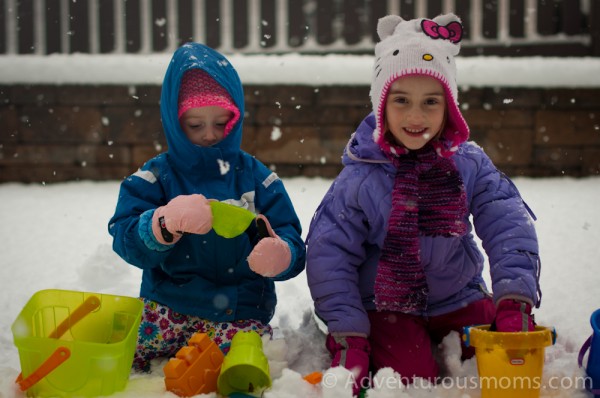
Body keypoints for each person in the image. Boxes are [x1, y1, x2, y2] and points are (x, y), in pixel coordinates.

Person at [306, 13, 541, 392]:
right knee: (413, 380)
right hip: (386, 305)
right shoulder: (361, 177)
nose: (416, 116)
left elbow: (507, 222)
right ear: (381, 104)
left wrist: (514, 299)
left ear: (450, 107)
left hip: (457, 294)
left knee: (496, 357)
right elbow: (328, 257)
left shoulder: (467, 163)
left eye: (431, 101)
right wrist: (350, 335)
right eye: (401, 100)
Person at [108, 43, 306, 372]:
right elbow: (126, 237)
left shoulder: (258, 179)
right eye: (196, 125)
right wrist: (162, 224)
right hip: (169, 305)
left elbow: (290, 237)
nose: (210, 135)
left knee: (239, 367)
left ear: (236, 117)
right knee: (124, 357)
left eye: (221, 123)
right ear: (175, 122)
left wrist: (281, 254)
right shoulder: (156, 176)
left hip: (239, 310)